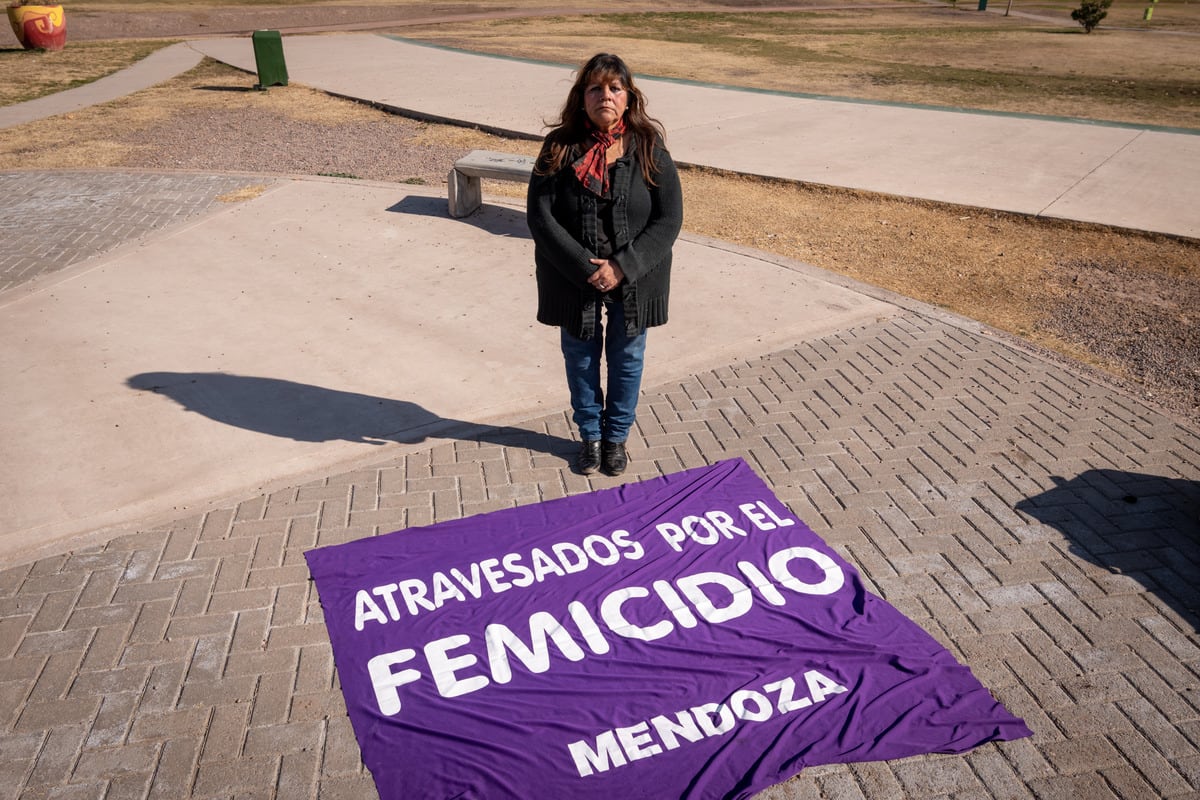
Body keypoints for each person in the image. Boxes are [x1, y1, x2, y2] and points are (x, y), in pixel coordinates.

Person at [526, 53, 684, 477]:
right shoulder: (559, 146)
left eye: (615, 88)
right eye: (596, 88)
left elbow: (669, 218)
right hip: (571, 275)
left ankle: (616, 438)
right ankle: (590, 437)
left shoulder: (649, 145)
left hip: (635, 276)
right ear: (582, 97)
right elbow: (540, 216)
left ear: (629, 98)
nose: (606, 96)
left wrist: (621, 266)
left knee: (627, 356)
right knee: (579, 356)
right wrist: (584, 266)